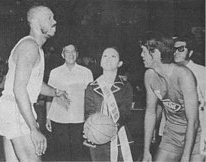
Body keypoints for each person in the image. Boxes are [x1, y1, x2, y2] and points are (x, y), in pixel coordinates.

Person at [0, 6, 66, 162]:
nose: (54, 21)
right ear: (35, 22)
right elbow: (19, 89)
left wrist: (55, 92)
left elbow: (33, 84)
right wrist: (33, 129)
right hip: (16, 108)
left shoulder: (35, 47)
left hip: (10, 108)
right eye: (49, 18)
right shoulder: (30, 47)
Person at [141, 31, 204, 162]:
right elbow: (150, 112)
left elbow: (193, 121)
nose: (141, 55)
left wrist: (185, 157)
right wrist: (146, 150)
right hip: (172, 134)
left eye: (144, 52)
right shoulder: (150, 76)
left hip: (196, 133)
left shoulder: (184, 75)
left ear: (156, 53)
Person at [84, 47, 134, 161]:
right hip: (97, 137)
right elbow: (88, 113)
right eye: (105, 56)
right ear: (100, 62)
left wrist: (112, 128)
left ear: (120, 63)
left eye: (113, 56)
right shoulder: (92, 87)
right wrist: (92, 129)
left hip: (119, 135)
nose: (108, 59)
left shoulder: (125, 86)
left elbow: (126, 112)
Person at [45, 44, 93, 161]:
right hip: (59, 118)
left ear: (77, 54)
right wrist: (48, 117)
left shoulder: (86, 72)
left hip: (79, 119)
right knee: (61, 154)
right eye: (67, 52)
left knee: (78, 153)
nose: (71, 54)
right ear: (63, 54)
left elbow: (91, 98)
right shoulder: (55, 72)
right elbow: (49, 96)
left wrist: (90, 118)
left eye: (73, 51)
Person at [173, 34, 206, 157]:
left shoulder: (202, 72)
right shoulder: (171, 72)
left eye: (181, 49)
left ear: (190, 52)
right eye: (174, 49)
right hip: (176, 134)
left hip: (199, 131)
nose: (176, 52)